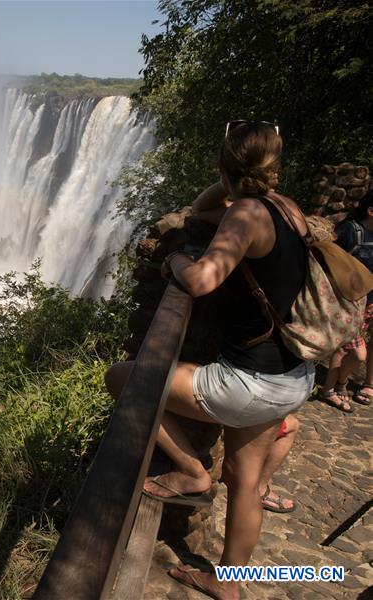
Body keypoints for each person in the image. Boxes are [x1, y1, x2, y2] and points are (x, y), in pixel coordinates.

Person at [105, 121, 313, 600]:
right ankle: (229, 582)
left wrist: (174, 262)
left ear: (225, 166)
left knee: (122, 379)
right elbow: (204, 210)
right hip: (291, 376)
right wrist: (231, 180)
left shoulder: (245, 214)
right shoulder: (288, 209)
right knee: (244, 481)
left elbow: (202, 280)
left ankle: (191, 471)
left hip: (250, 382)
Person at [316, 188, 373, 412]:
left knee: (352, 351)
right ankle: (331, 389)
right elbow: (326, 260)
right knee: (351, 351)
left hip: (368, 304)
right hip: (348, 304)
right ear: (370, 211)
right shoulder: (351, 231)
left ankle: (338, 386)